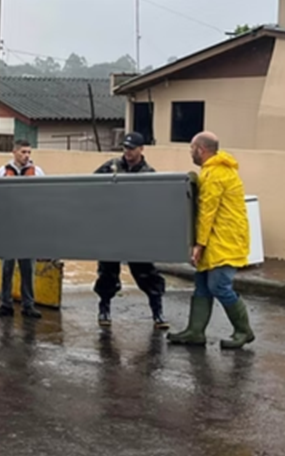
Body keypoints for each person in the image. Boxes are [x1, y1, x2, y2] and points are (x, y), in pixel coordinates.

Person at [169, 131, 255, 349]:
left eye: (192, 149)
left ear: (201, 150)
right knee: (202, 285)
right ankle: (195, 332)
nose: (191, 153)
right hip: (219, 238)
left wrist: (198, 245)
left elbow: (207, 212)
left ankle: (244, 331)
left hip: (223, 241)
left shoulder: (215, 174)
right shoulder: (214, 171)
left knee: (219, 286)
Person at [92, 132, 168, 329]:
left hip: (136, 231)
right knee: (107, 273)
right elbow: (91, 186)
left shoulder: (149, 173)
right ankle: (104, 309)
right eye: (125, 148)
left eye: (132, 148)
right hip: (112, 228)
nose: (127, 152)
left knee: (146, 274)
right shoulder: (111, 166)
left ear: (141, 149)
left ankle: (157, 312)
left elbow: (155, 204)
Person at [0, 140, 44, 319]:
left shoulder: (38, 173)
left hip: (29, 227)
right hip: (8, 227)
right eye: (23, 152)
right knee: (7, 267)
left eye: (29, 152)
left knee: (28, 267)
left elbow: (45, 198)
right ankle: (5, 304)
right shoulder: (2, 172)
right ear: (14, 152)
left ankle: (28, 305)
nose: (26, 155)